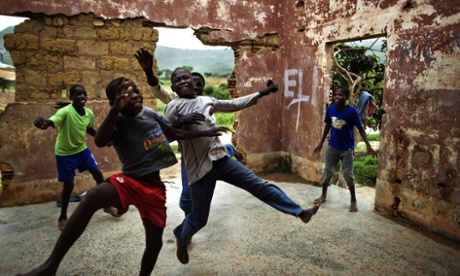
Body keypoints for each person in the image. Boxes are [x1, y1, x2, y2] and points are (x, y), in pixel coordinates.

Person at [18, 77, 228, 276]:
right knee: (93, 195)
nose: (135, 95)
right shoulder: (117, 120)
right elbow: (100, 141)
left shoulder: (150, 114)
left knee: (155, 245)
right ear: (115, 102)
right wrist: (114, 110)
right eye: (126, 95)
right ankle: (49, 267)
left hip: (154, 188)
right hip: (130, 181)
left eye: (136, 91)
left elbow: (172, 133)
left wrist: (205, 133)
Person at [164, 68, 320, 265]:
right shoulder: (173, 106)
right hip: (200, 170)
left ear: (192, 81)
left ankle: (299, 212)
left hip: (221, 160)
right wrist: (181, 121)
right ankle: (181, 236)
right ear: (173, 87)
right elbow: (166, 136)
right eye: (177, 80)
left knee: (259, 185)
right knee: (199, 219)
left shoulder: (205, 101)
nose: (183, 82)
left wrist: (263, 93)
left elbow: (233, 104)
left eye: (185, 77)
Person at [135, 48, 243, 217]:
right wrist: (148, 70)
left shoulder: (206, 102)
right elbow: (157, 90)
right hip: (190, 155)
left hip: (210, 150)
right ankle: (189, 222)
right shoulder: (175, 100)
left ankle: (229, 150)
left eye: (200, 85)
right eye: (194, 83)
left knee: (220, 161)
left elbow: (231, 105)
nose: (197, 88)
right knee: (187, 196)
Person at [33, 84, 117, 231]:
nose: (82, 96)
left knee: (97, 174)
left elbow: (90, 129)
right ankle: (63, 217)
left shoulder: (88, 113)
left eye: (84, 94)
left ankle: (107, 205)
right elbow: (51, 122)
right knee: (69, 185)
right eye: (77, 94)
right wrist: (44, 124)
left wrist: (103, 139)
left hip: (81, 150)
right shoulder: (65, 112)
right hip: (64, 153)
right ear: (71, 97)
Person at [313, 87, 376, 212]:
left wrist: (368, 145)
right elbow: (327, 126)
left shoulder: (352, 112)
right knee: (328, 172)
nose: (337, 97)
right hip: (333, 147)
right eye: (336, 94)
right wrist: (320, 143)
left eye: (340, 95)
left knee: (348, 175)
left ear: (346, 97)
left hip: (347, 149)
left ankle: (353, 200)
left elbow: (361, 128)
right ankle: (323, 195)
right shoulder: (330, 109)